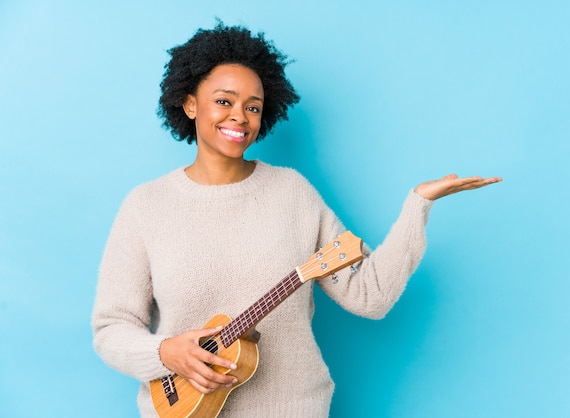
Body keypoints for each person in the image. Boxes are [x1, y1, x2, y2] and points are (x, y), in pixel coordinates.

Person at [91, 22, 501, 418]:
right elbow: (112, 328)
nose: (240, 116)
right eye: (223, 101)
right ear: (190, 103)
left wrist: (418, 205)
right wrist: (165, 353)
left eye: (253, 106)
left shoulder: (292, 193)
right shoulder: (146, 206)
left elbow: (369, 296)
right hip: (183, 412)